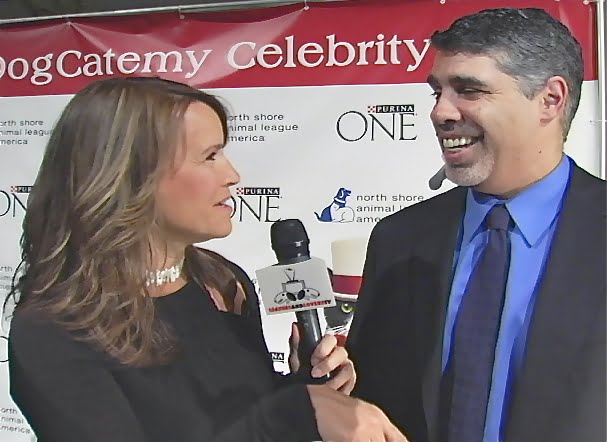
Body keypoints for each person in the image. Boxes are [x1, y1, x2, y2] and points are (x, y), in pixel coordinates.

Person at [7, 76, 407, 442]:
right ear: (131, 174)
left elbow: (238, 420)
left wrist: (308, 386)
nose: (232, 175)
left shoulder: (222, 282)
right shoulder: (53, 331)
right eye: (209, 156)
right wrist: (294, 412)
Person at [347, 7, 605, 442]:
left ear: (550, 99)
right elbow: (370, 397)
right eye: (437, 92)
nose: (440, 112)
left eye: (468, 90)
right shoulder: (400, 239)